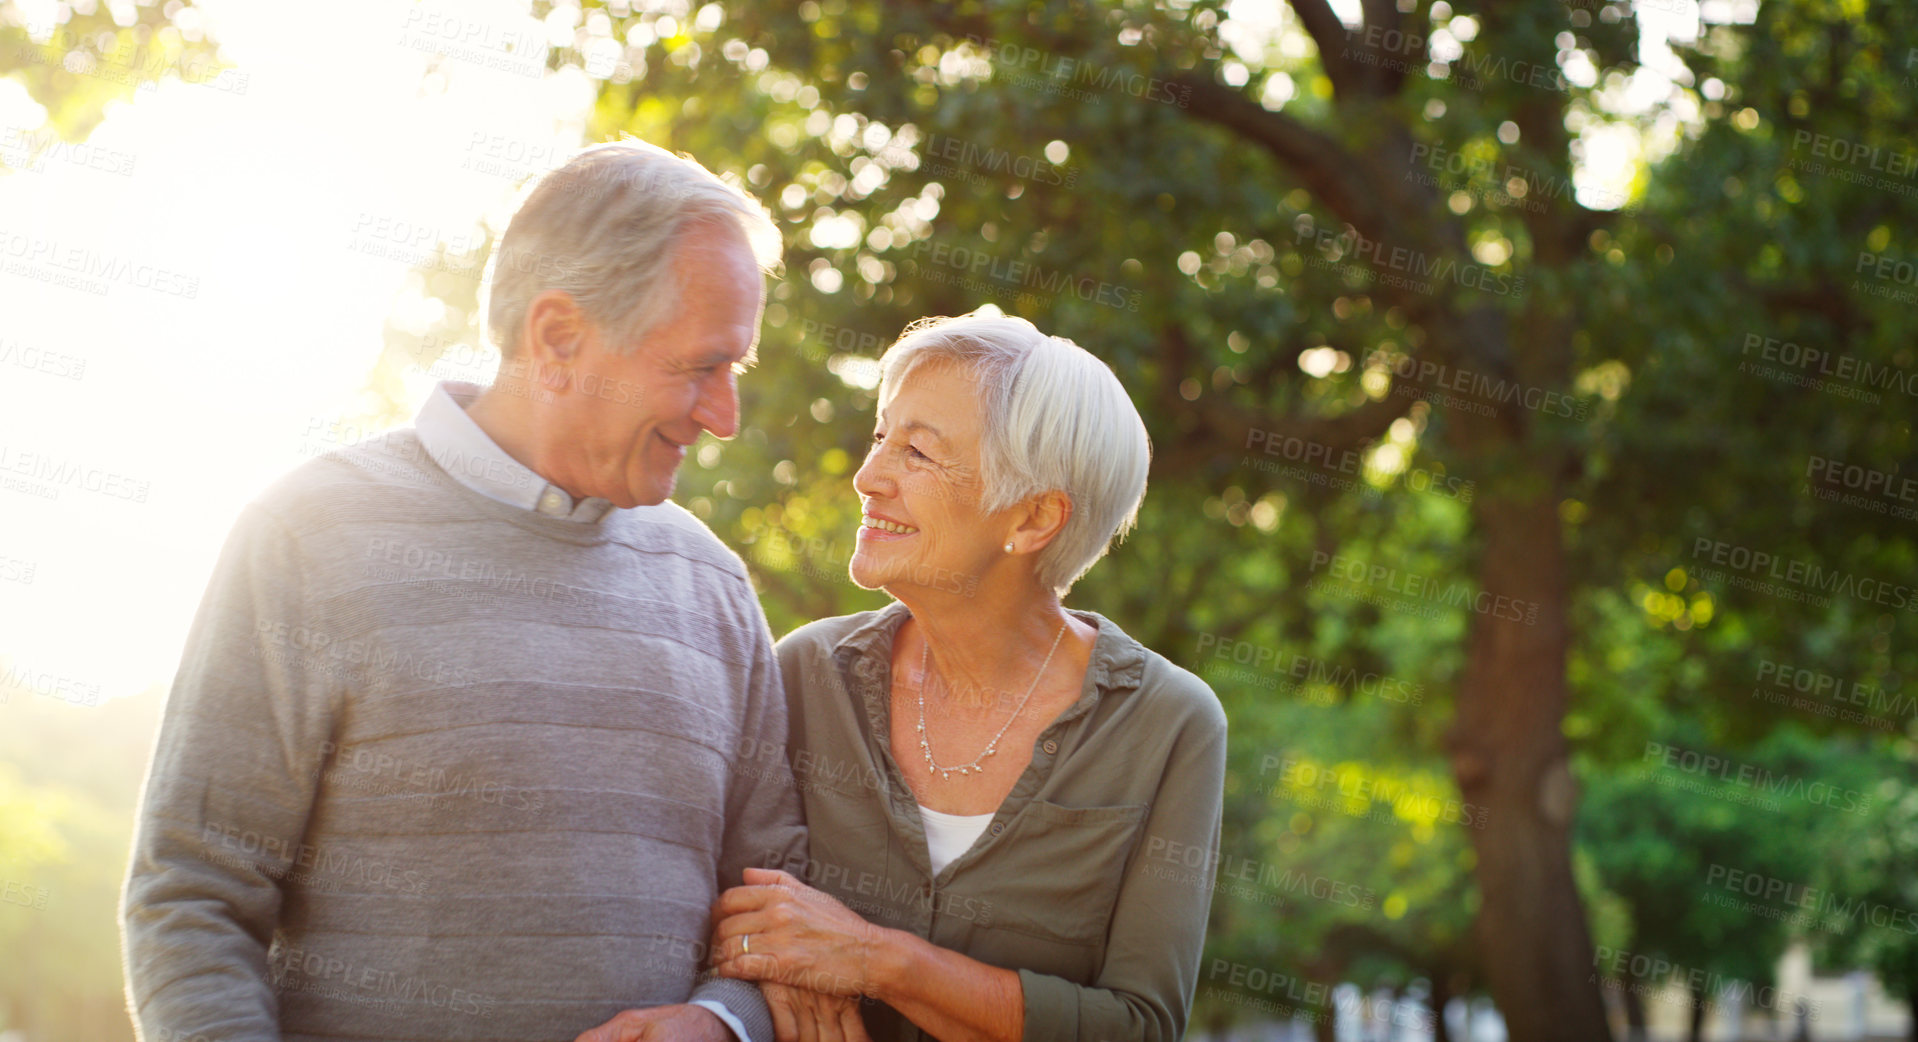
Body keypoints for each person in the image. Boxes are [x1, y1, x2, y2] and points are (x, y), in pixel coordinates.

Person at [120, 140, 806, 1042]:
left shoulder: (711, 585)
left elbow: (781, 917)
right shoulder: (308, 537)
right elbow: (193, 895)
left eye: (735, 371)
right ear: (560, 338)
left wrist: (723, 1024)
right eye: (699, 367)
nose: (723, 416)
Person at [711, 311, 1228, 1041]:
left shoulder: (1170, 723)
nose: (867, 477)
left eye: (917, 453)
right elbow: (730, 915)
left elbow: (1139, 1027)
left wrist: (875, 960)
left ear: (1033, 519)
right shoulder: (806, 672)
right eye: (880, 437)